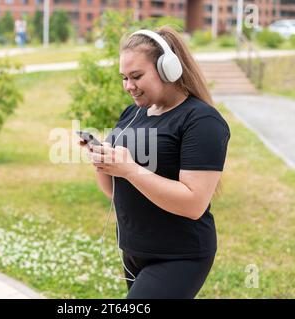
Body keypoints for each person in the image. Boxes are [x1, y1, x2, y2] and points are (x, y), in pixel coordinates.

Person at [78, 26, 230, 299]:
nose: (128, 86)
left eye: (136, 76)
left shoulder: (202, 121)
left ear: (167, 69)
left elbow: (194, 203)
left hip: (179, 256)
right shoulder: (132, 114)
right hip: (134, 251)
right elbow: (114, 191)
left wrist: (130, 169)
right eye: (124, 77)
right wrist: (103, 162)